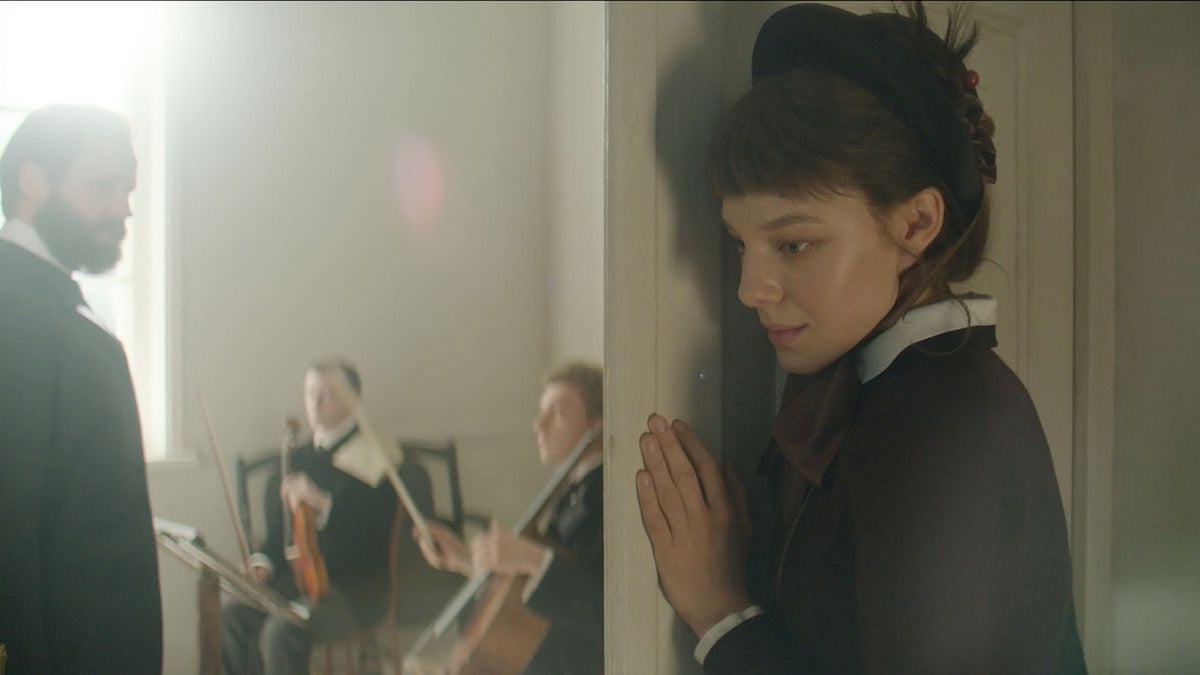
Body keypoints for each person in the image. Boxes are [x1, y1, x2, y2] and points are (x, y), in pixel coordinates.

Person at [634, 3, 1088, 673]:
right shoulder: (888, 394)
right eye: (740, 243)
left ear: (915, 224)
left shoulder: (949, 427)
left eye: (793, 243)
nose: (750, 289)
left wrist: (720, 612)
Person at [0, 105, 162, 674]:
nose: (123, 208)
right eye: (101, 186)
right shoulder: (14, 315)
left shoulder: (51, 308)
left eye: (127, 191)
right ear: (33, 183)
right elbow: (10, 531)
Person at [221, 359, 407, 675]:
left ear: (353, 399)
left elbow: (371, 536)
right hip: (297, 582)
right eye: (310, 394)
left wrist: (322, 501)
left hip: (354, 590)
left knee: (281, 632)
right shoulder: (297, 458)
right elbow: (280, 534)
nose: (315, 404)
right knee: (233, 613)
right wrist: (263, 563)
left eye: (327, 394)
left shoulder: (378, 455)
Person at [417, 362, 604, 675]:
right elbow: (533, 589)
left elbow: (600, 604)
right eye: (540, 412)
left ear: (596, 426)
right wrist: (464, 560)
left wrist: (531, 557)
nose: (539, 425)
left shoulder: (603, 492)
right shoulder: (576, 487)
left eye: (558, 412)